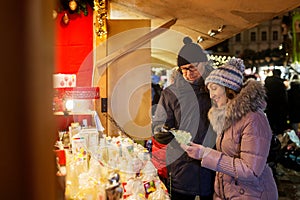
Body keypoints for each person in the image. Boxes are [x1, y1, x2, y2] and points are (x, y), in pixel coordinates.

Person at [182, 58, 278, 199]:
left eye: (214, 88)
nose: (211, 95)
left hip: (253, 194)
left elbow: (250, 170)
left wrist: (205, 154)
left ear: (229, 89)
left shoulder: (253, 118)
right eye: (209, 90)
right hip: (231, 192)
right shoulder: (227, 118)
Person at [152, 37, 215, 200]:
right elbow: (159, 124)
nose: (187, 73)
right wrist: (160, 132)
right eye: (183, 69)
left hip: (212, 165)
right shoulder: (171, 93)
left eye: (192, 68)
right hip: (182, 166)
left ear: (203, 63)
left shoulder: (215, 89)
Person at [264, 69, 288, 135]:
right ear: (279, 74)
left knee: (271, 126)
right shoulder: (280, 83)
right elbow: (284, 97)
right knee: (279, 128)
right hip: (280, 109)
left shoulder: (267, 82)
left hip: (270, 108)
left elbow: (265, 95)